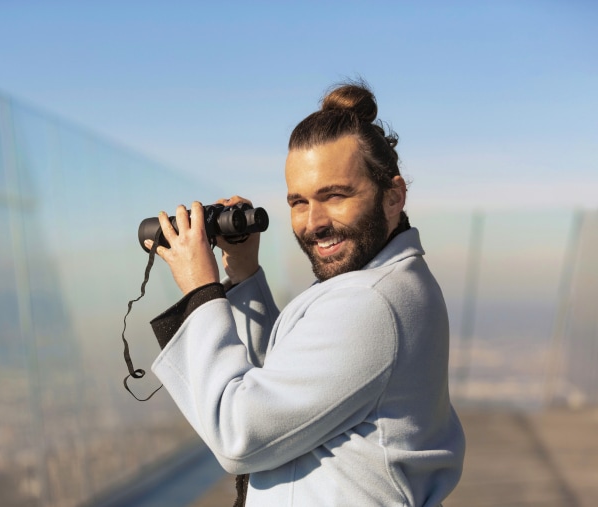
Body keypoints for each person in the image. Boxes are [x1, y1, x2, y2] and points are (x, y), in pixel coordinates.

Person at [143, 80, 465, 506]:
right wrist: (242, 274)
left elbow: (238, 433)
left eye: (334, 196)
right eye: (298, 202)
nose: (313, 223)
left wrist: (201, 292)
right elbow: (283, 389)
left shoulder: (372, 302)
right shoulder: (385, 281)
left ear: (393, 196)